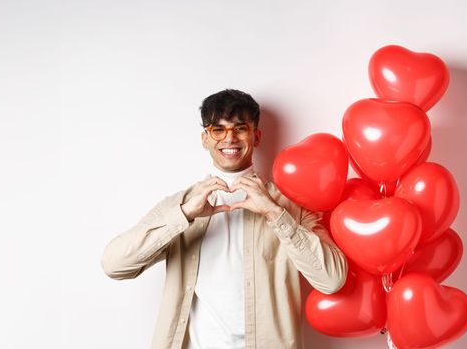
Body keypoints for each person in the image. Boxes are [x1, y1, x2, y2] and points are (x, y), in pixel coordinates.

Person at [101, 89, 347, 349]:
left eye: (240, 128)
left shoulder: (291, 206)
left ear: (257, 136)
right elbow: (114, 265)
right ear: (205, 139)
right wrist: (184, 215)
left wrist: (275, 214)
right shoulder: (180, 205)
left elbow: (332, 280)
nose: (229, 138)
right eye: (218, 130)